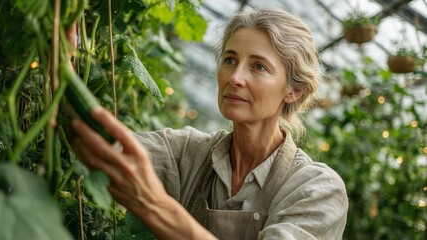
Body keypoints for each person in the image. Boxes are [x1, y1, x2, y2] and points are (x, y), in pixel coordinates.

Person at [70, 8, 348, 240]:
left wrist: (156, 207)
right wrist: (63, 63)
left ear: (293, 90)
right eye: (230, 59)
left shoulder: (316, 189)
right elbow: (97, 141)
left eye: (259, 66)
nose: (235, 77)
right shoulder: (188, 152)